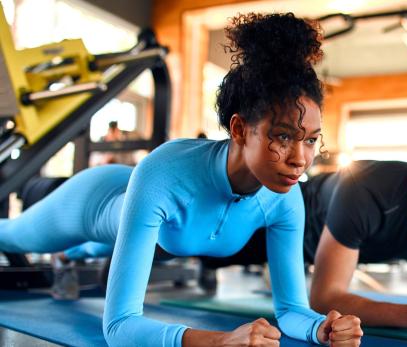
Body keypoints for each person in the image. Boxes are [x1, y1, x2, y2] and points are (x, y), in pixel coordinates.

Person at [0, 13, 362, 347]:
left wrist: (321, 328)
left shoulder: (284, 199)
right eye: (283, 137)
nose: (300, 159)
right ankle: (65, 247)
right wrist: (220, 341)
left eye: (311, 139)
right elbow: (119, 325)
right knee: (12, 235)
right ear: (239, 128)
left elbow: (290, 311)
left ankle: (71, 255)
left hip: (156, 228)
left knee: (109, 246)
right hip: (94, 200)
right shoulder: (166, 173)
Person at [197, 120, 407, 331]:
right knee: (190, 246)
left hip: (300, 249)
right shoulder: (369, 187)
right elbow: (324, 298)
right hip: (268, 221)